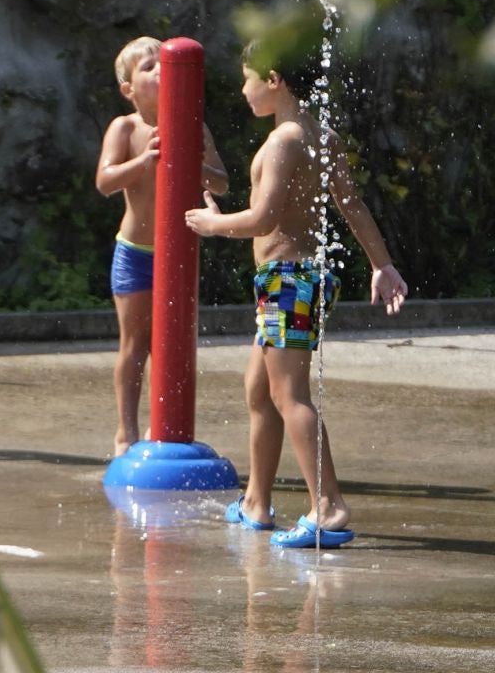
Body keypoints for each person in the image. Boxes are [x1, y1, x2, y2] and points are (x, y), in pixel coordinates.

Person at [187, 38, 408, 549]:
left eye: (247, 79)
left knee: (290, 395)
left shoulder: (285, 140)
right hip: (301, 279)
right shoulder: (319, 134)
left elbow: (263, 218)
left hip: (288, 280)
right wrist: (382, 264)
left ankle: (328, 507)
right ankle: (256, 502)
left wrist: (214, 224)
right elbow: (352, 206)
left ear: (274, 79)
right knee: (259, 390)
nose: (242, 90)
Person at [97, 36, 228, 458]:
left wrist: (192, 159)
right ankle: (125, 432)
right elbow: (104, 182)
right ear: (129, 88)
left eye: (164, 66)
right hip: (135, 251)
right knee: (134, 344)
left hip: (179, 254)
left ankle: (163, 426)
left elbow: (222, 183)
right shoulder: (126, 128)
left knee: (169, 345)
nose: (160, 72)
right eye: (148, 68)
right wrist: (145, 160)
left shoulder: (194, 125)